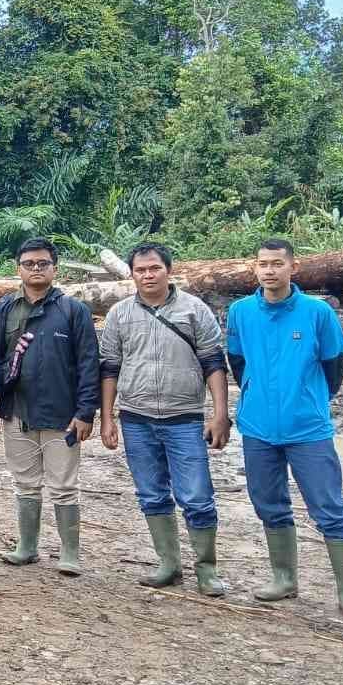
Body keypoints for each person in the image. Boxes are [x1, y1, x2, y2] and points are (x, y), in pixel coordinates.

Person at [227, 238, 343, 619]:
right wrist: (257, 395)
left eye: (276, 263)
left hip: (308, 428)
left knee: (328, 507)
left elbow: (334, 364)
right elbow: (237, 362)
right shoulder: (240, 312)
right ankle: (284, 578)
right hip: (258, 427)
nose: (269, 270)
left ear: (294, 268)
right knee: (269, 503)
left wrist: (311, 397)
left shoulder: (316, 313)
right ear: (254, 268)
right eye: (262, 264)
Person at [99, 242, 231, 596]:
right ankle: (169, 564)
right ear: (131, 274)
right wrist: (107, 418)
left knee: (197, 496)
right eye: (140, 270)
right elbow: (109, 367)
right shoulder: (119, 315)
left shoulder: (194, 310)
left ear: (168, 270)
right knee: (152, 495)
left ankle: (206, 569)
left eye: (154, 268)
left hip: (185, 419)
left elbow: (214, 363)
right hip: (136, 420)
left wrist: (220, 414)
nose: (147, 275)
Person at [0, 237, 100, 575]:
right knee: (24, 483)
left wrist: (85, 412)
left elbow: (89, 364)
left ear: (55, 268)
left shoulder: (73, 310)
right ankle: (27, 546)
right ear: (17, 268)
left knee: (64, 487)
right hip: (17, 411)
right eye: (29, 264)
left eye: (43, 264)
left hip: (61, 415)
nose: (36, 269)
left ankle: (70, 553)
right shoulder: (4, 309)